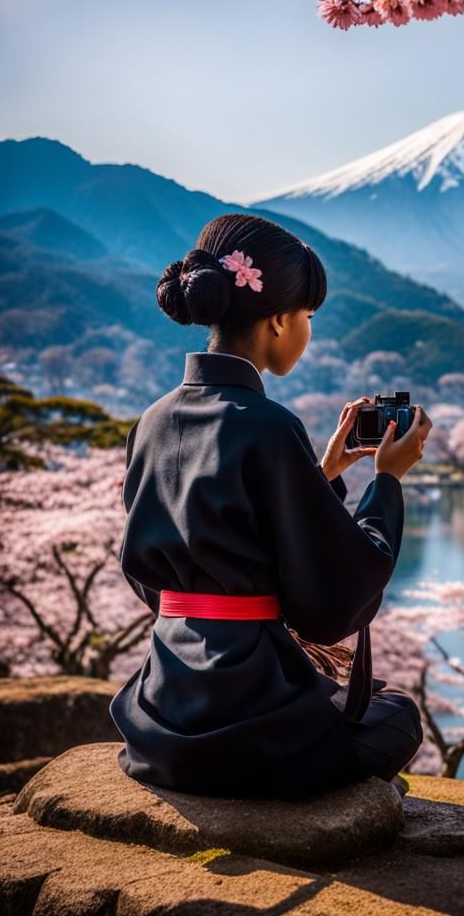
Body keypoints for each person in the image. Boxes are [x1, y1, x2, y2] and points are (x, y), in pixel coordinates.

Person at [109, 212, 432, 800]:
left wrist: (324, 473)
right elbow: (331, 603)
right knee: (396, 716)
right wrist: (386, 481)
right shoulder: (269, 424)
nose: (307, 330)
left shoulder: (153, 420)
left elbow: (180, 554)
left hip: (164, 714)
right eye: (308, 317)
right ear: (280, 320)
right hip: (248, 721)